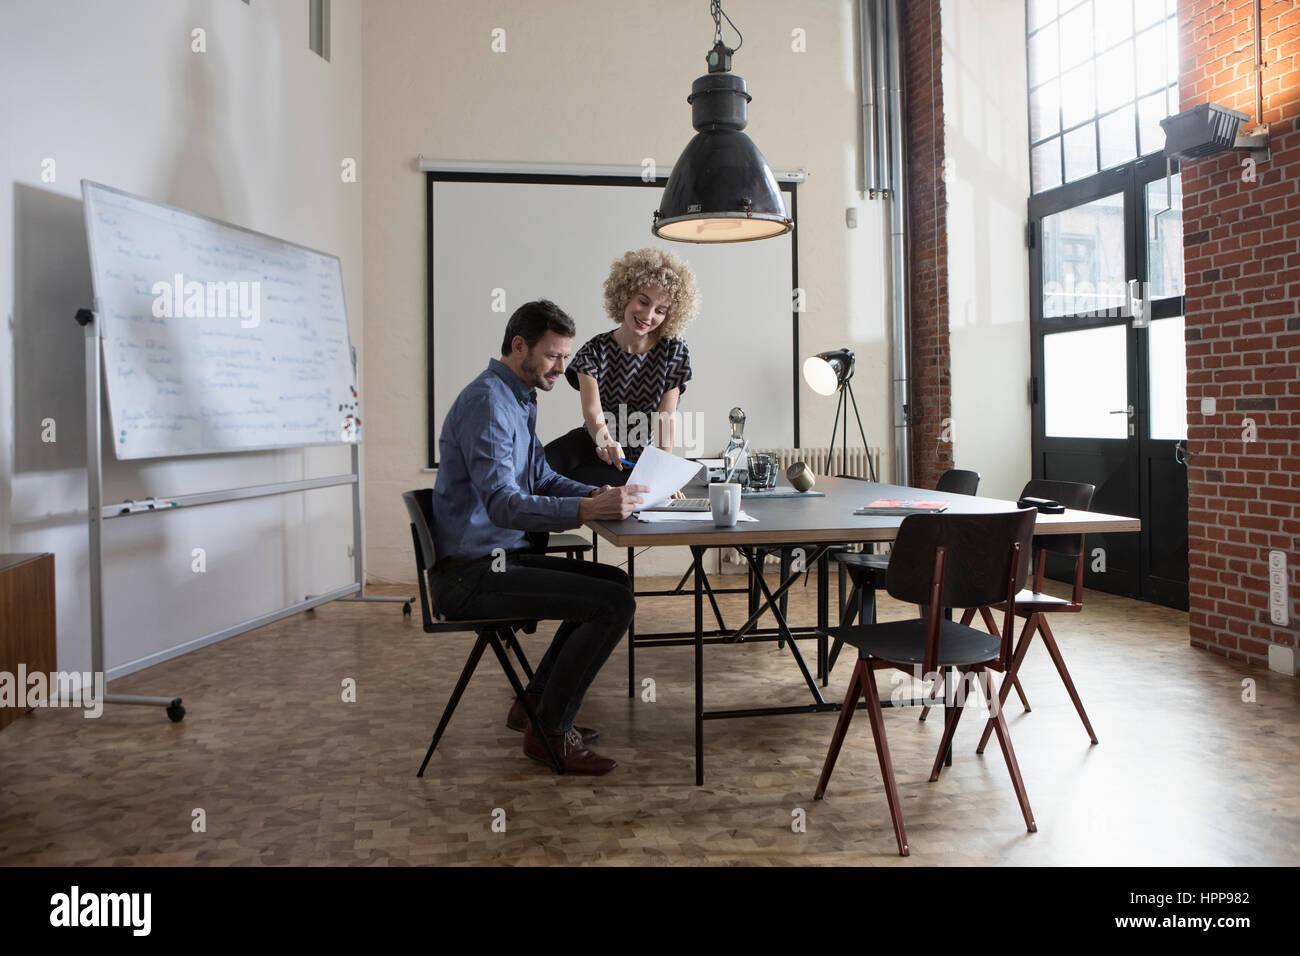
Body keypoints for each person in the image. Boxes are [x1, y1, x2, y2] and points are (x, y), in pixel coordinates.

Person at [429, 299, 647, 775]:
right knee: (612, 604)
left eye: (566, 357)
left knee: (617, 586)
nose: (562, 368)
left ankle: (534, 706)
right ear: (519, 346)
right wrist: (588, 509)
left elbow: (541, 479)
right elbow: (504, 504)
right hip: (471, 576)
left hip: (497, 558)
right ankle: (549, 732)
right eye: (553, 356)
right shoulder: (488, 403)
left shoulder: (516, 396)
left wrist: (601, 491)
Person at [545, 247, 699, 487]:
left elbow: (665, 418)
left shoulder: (673, 350)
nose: (648, 315)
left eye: (660, 310)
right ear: (626, 294)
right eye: (643, 301)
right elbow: (592, 411)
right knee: (536, 469)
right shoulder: (595, 350)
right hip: (592, 441)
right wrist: (605, 441)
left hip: (633, 458)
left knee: (608, 499)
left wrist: (663, 476)